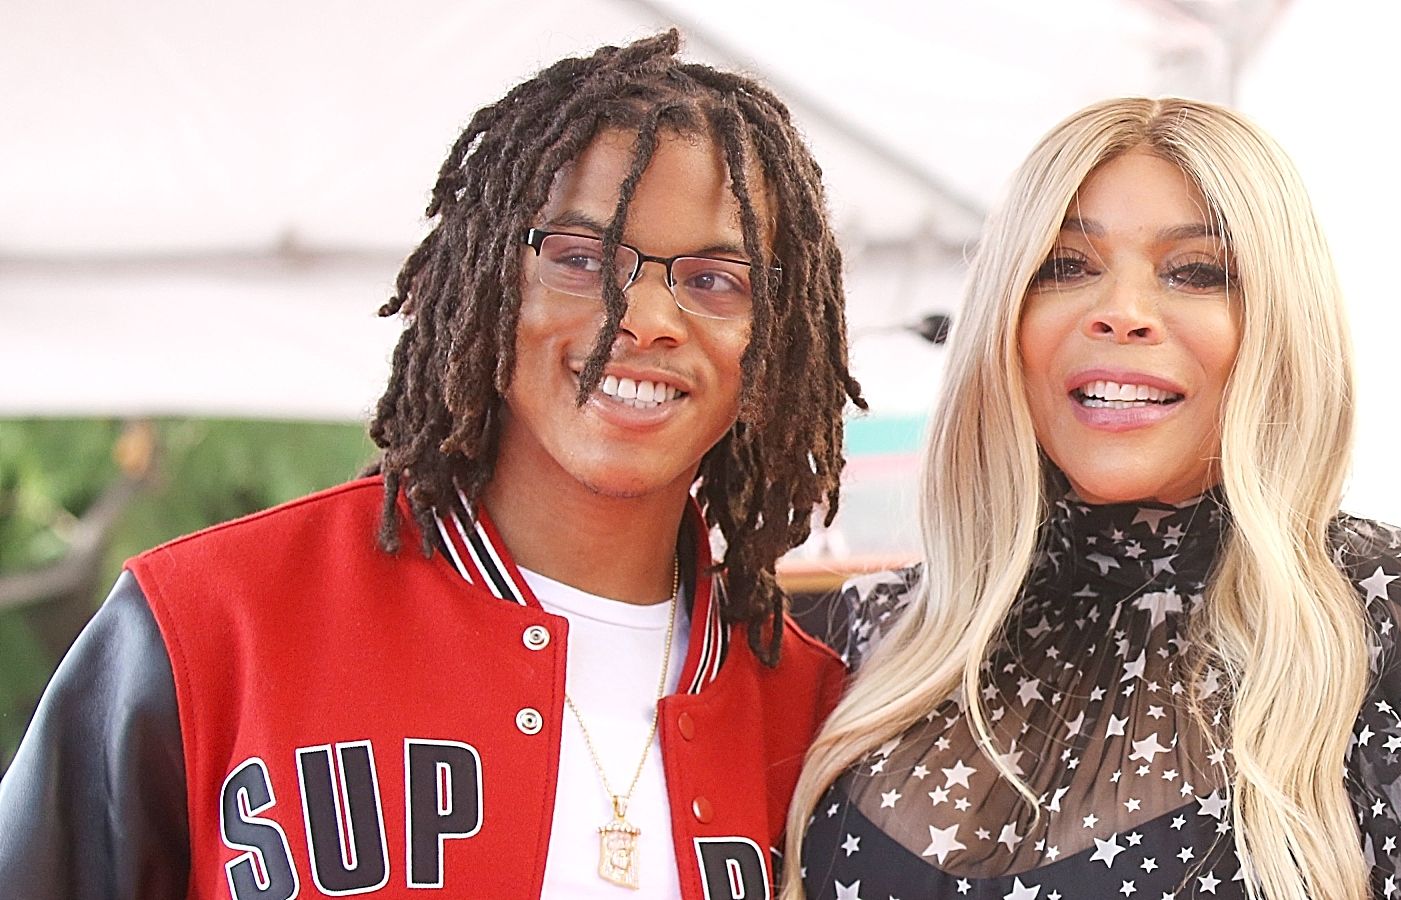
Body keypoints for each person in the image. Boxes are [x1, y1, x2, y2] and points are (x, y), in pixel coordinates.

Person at [0, 30, 862, 900]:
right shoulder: (212, 621)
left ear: (773, 340)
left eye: (715, 279)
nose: (640, 318)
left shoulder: (815, 712)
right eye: (579, 259)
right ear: (492, 280)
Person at [784, 98, 1401, 900]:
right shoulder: (866, 634)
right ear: (1005, 313)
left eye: (1196, 272)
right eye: (1067, 265)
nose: (1121, 313)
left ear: (1281, 326)